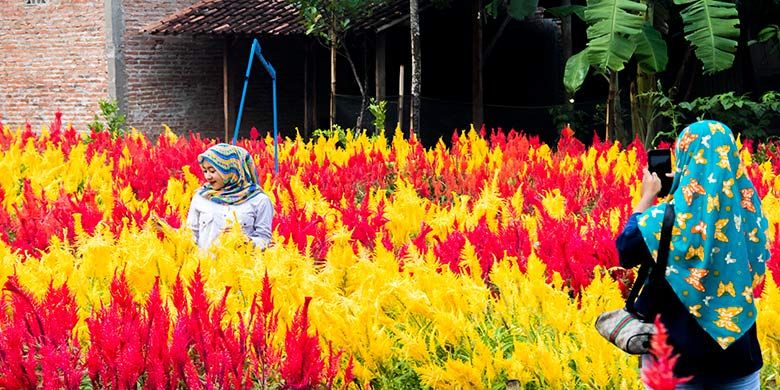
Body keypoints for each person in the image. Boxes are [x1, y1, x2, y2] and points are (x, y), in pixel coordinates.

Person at [616, 120, 769, 389]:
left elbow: (625, 250)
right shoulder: (747, 214)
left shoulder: (663, 219)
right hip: (738, 362)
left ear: (685, 159)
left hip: (674, 365)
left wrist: (646, 199)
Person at [185, 143, 273, 250]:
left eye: (212, 171)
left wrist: (247, 241)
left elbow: (265, 239)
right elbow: (190, 236)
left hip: (242, 265)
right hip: (207, 265)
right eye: (205, 171)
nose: (208, 176)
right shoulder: (201, 197)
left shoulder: (259, 200)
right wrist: (167, 230)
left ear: (230, 169)